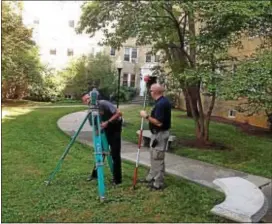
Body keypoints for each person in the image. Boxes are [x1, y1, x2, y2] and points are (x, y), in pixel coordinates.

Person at [82, 94, 123, 185]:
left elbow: (119, 113)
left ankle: (117, 179)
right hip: (104, 130)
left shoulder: (104, 103)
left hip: (115, 128)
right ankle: (95, 174)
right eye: (86, 100)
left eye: (89, 98)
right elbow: (93, 124)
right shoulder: (91, 110)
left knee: (115, 153)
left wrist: (108, 122)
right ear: (84, 102)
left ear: (94, 98)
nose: (89, 100)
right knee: (100, 151)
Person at [139, 83, 172, 190]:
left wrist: (146, 116)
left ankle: (158, 183)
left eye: (151, 91)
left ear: (156, 92)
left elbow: (159, 123)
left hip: (160, 134)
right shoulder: (160, 102)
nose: (150, 92)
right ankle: (152, 177)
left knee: (158, 158)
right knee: (154, 156)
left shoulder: (162, 104)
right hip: (156, 134)